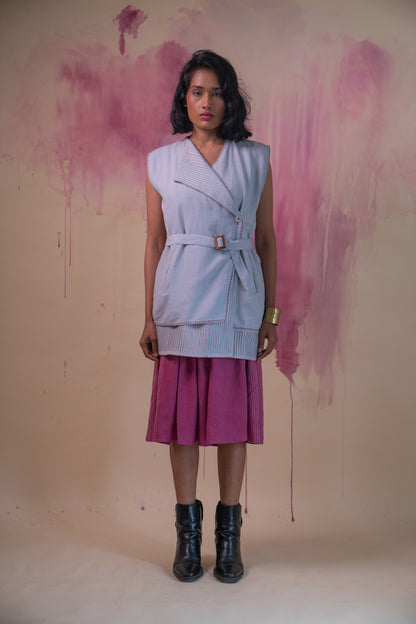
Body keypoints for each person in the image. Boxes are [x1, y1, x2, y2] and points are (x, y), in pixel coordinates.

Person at [139, 50, 279, 583]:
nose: (207, 102)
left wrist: (271, 314)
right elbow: (154, 242)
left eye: (217, 92)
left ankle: (229, 538)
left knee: (231, 423)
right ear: (184, 98)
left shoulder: (255, 158)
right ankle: (188, 536)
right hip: (178, 297)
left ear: (230, 99)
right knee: (183, 425)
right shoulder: (161, 162)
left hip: (237, 296)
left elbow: (266, 240)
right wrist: (149, 317)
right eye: (197, 92)